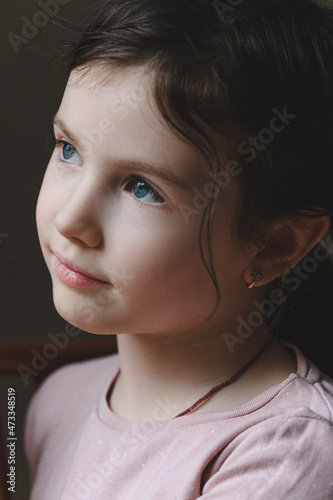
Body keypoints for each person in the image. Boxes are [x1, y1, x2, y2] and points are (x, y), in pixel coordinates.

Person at [25, 0, 333, 498]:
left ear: (274, 245)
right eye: (69, 150)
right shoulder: (55, 400)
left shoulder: (286, 451)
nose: (71, 220)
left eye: (143, 188)